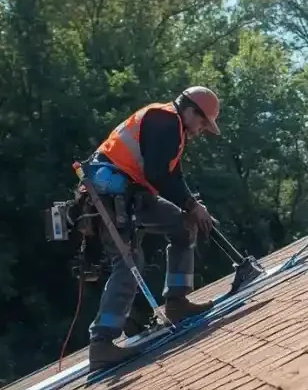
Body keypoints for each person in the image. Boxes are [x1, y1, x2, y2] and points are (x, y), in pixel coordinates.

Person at [82, 86, 222, 370]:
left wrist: (191, 205)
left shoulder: (173, 127)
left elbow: (172, 175)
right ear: (190, 111)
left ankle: (177, 302)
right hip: (109, 196)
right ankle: (101, 344)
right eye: (203, 123)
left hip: (132, 195)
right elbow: (157, 175)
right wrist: (192, 205)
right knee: (129, 262)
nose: (201, 131)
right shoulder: (165, 121)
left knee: (184, 225)